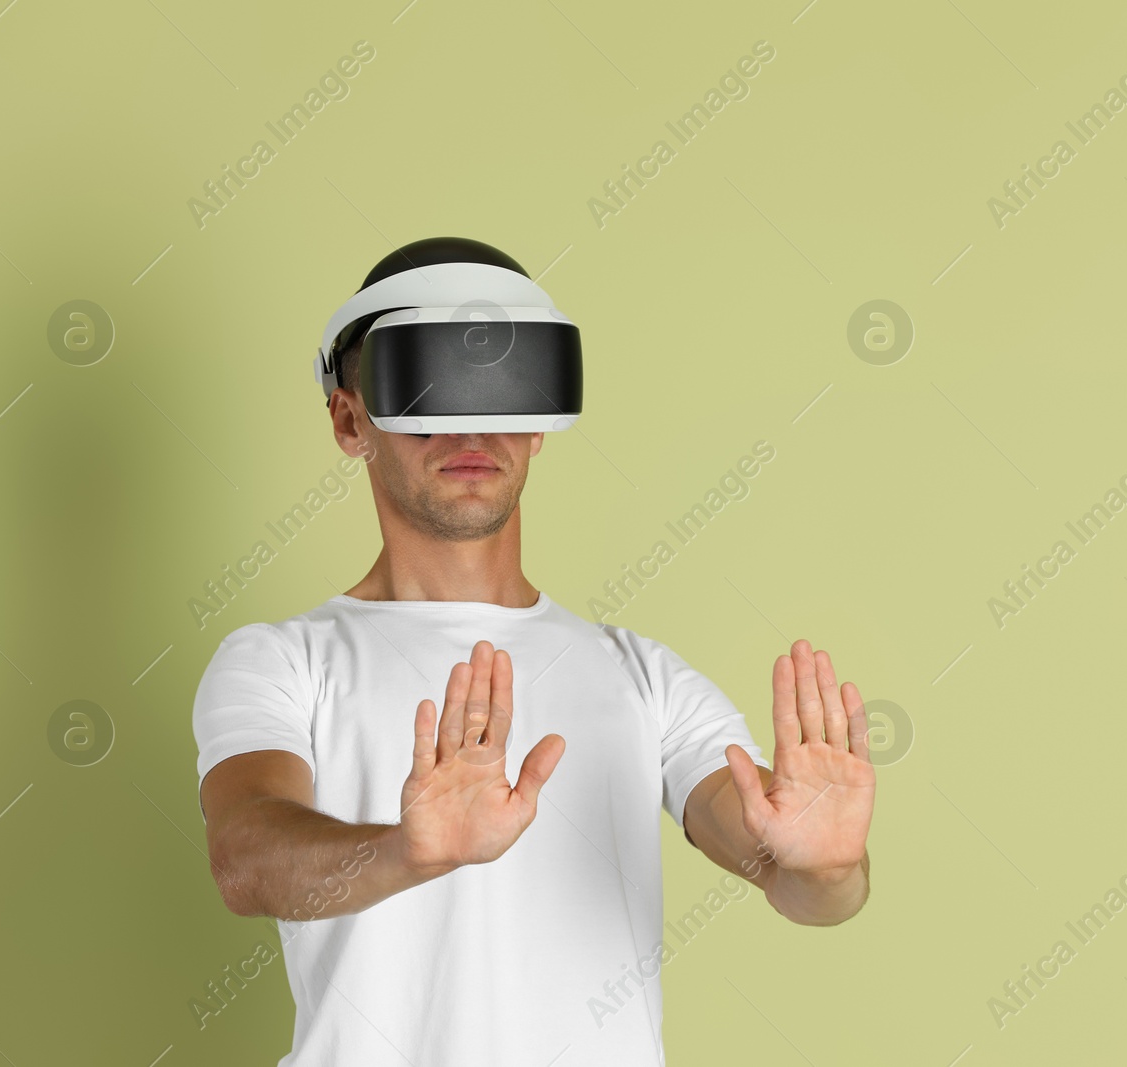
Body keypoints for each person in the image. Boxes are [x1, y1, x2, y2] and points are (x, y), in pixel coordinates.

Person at [192, 238, 875, 1066]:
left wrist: (830, 863)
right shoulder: (281, 660)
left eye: (507, 379)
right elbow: (246, 859)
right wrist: (407, 851)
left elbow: (799, 883)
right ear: (350, 419)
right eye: (429, 386)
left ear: (544, 416)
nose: (474, 424)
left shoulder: (644, 679)